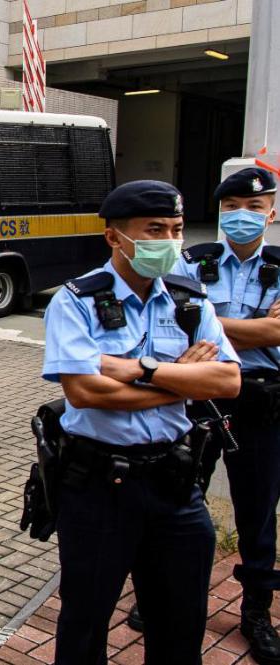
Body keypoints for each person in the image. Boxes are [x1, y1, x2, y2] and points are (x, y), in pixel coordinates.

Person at [41, 179, 241, 664]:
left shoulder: (189, 300)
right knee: (85, 625)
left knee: (180, 625)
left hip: (176, 484)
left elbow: (228, 381)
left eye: (176, 229)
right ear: (115, 236)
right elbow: (86, 392)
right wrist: (184, 380)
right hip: (99, 488)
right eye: (154, 230)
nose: (170, 241)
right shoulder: (76, 301)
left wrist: (143, 369)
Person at [171, 167, 280, 664]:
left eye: (254, 207)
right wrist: (259, 329)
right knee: (179, 499)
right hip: (203, 398)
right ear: (220, 212)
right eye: (232, 207)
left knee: (257, 514)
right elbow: (179, 326)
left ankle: (256, 612)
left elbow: (203, 326)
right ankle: (165, 597)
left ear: (270, 214)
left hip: (262, 404)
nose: (242, 215)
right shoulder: (194, 261)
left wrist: (211, 322)